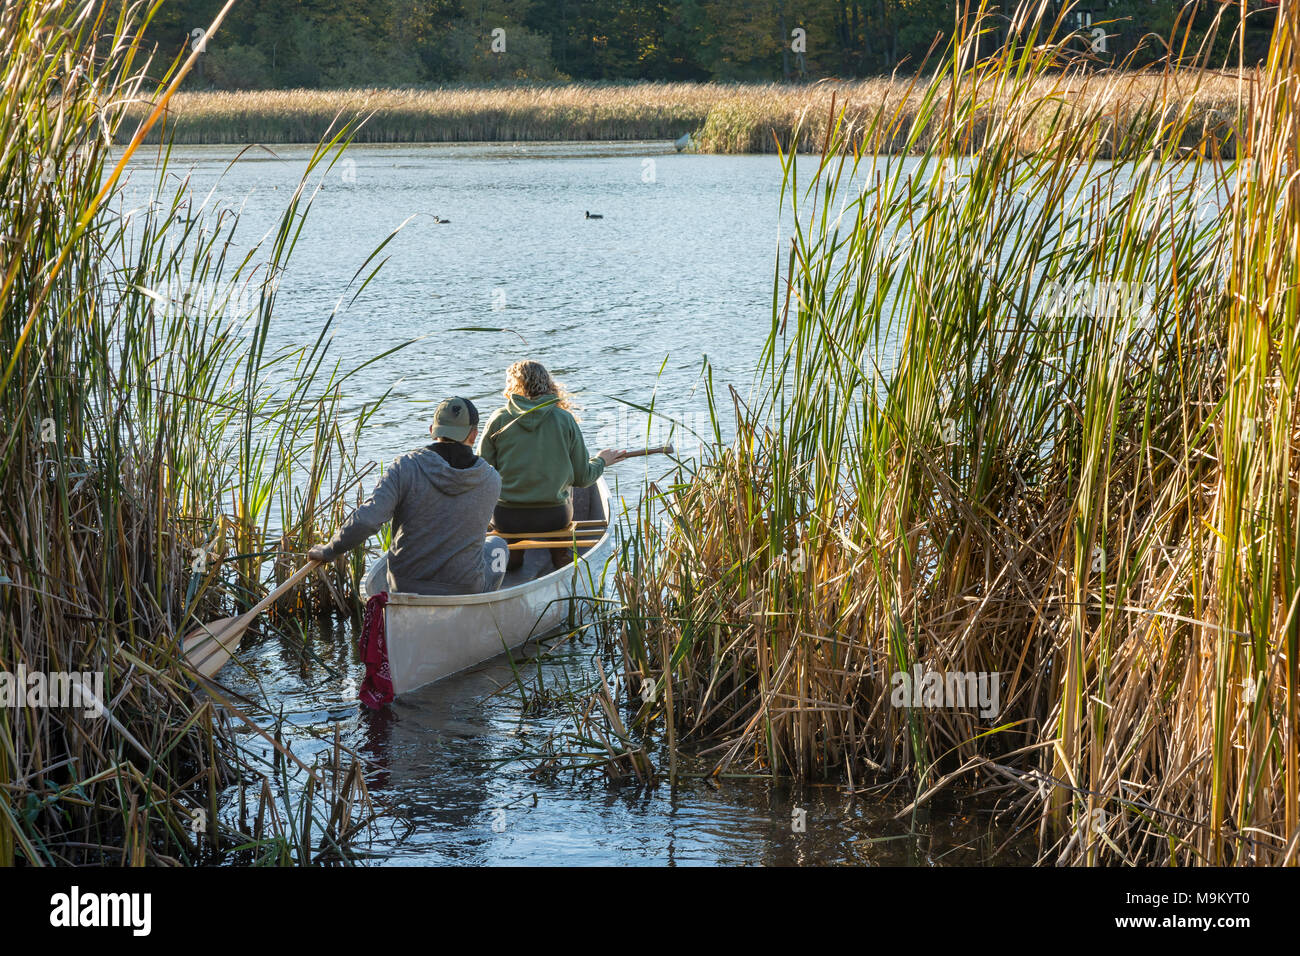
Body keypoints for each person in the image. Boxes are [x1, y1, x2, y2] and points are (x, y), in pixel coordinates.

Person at [308, 397, 508, 595]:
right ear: (474, 435)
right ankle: (482, 607)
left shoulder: (404, 467)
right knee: (499, 546)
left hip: (404, 587)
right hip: (463, 588)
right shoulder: (491, 479)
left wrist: (330, 550)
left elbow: (367, 521)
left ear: (432, 431)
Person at [479, 360, 622, 571]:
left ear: (512, 386)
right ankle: (560, 557)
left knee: (509, 534)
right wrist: (602, 461)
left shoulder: (498, 419)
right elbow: (583, 478)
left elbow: (481, 474)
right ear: (548, 384)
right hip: (554, 516)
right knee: (563, 507)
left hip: (506, 517)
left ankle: (514, 558)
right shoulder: (564, 419)